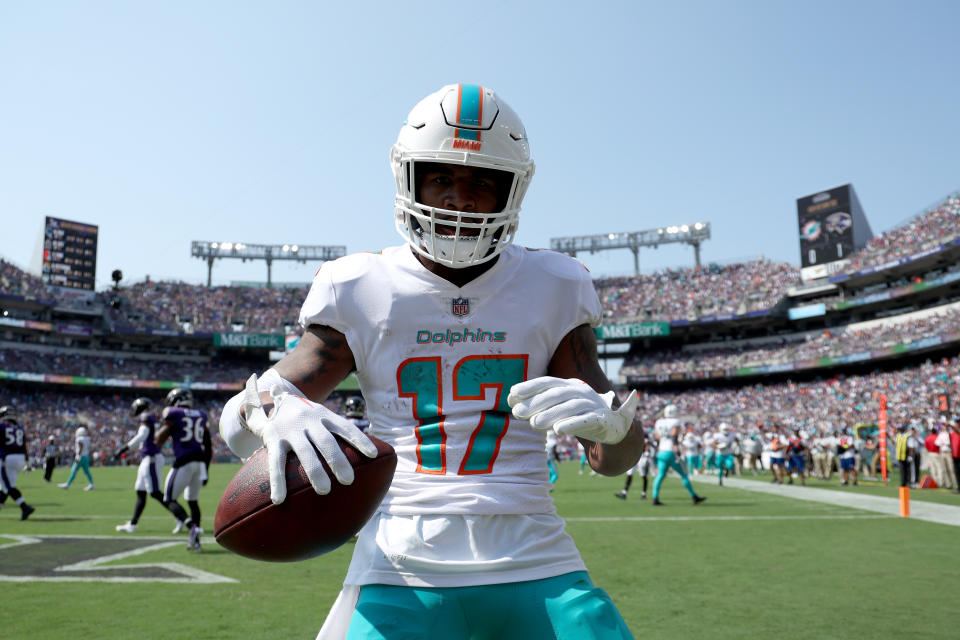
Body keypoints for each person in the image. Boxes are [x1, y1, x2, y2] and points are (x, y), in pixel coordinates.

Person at [219, 84, 642, 639]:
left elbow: (617, 459)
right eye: (441, 177)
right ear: (409, 178)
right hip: (400, 561)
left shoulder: (554, 284)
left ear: (511, 191)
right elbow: (239, 421)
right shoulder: (359, 285)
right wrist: (274, 413)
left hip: (537, 554)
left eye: (482, 181)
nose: (460, 199)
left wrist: (614, 429)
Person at [114, 397, 189, 533]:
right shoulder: (150, 417)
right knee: (140, 491)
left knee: (155, 493)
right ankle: (133, 524)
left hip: (151, 458)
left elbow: (142, 435)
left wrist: (124, 448)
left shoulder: (146, 417)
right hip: (148, 459)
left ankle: (180, 517)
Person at [156, 389, 212, 550]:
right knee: (193, 501)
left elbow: (160, 437)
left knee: (168, 499)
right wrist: (206, 470)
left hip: (184, 461)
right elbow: (208, 446)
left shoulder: (173, 413)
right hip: (200, 463)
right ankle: (196, 542)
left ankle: (191, 526)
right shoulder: (201, 414)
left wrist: (157, 445)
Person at [650, 405, 705, 506]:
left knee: (660, 475)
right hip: (671, 451)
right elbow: (674, 437)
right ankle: (694, 496)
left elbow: (657, 437)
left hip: (661, 451)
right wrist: (678, 453)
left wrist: (658, 450)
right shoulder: (675, 422)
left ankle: (655, 498)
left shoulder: (659, 422)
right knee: (684, 475)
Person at [0, 406, 35, 520]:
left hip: (8, 458)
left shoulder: (2, 425)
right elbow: (25, 445)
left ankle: (24, 507)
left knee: (8, 487)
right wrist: (27, 461)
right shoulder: (19, 427)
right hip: (20, 458)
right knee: (5, 487)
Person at [615, 428, 656, 500]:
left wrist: (646, 453)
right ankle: (624, 493)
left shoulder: (643, 435)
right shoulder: (633, 435)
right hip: (634, 457)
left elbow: (647, 444)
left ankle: (644, 494)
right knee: (629, 474)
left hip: (641, 457)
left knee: (643, 476)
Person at [58, 426, 95, 490]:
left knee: (74, 470)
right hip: (86, 456)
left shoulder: (79, 439)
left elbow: (81, 447)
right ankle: (92, 484)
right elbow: (89, 448)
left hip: (81, 457)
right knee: (87, 471)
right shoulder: (88, 439)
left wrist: (78, 456)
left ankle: (67, 484)